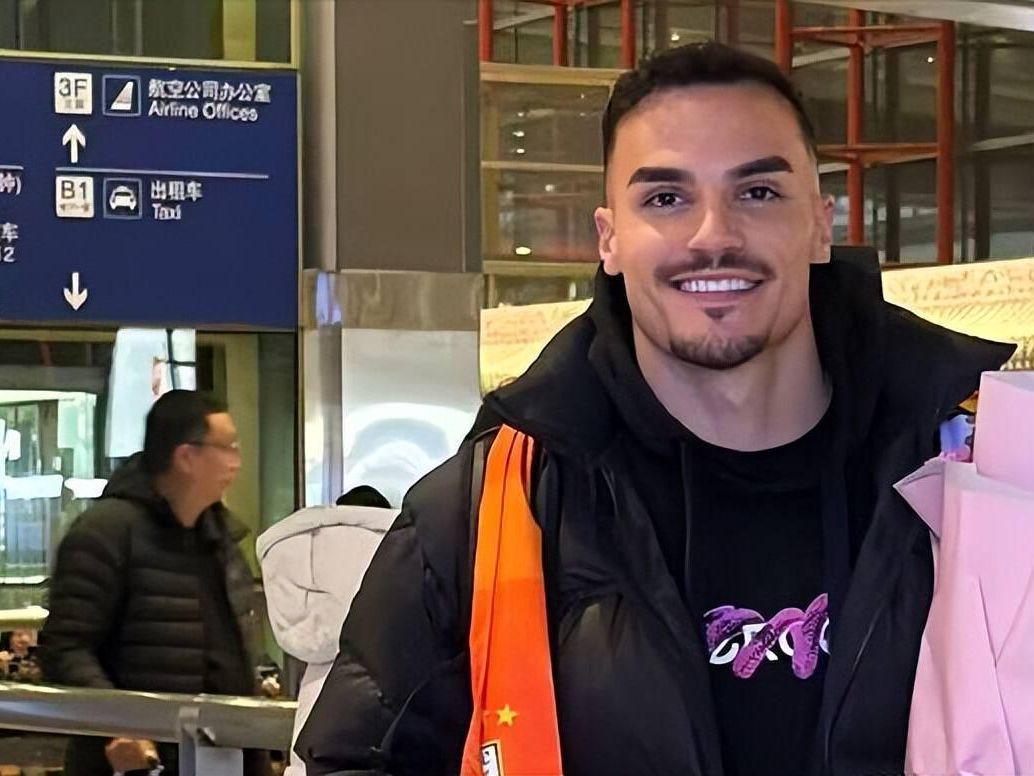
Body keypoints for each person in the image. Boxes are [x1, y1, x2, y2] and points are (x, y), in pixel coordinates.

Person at [295, 42, 1014, 776]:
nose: (714, 235)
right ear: (609, 239)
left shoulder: (975, 481)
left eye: (758, 192)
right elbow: (351, 760)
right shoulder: (495, 506)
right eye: (666, 199)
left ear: (820, 225)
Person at [39, 390, 268, 776]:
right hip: (136, 761)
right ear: (186, 457)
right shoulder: (107, 532)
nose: (236, 461)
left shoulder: (220, 537)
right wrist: (120, 726)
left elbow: (233, 658)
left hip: (220, 757)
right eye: (227, 447)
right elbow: (66, 648)